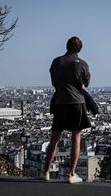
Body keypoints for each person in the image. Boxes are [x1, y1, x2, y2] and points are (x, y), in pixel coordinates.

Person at [43, 36, 91, 184]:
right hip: (77, 103)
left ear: (66, 46)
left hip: (61, 102)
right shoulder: (82, 64)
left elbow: (54, 83)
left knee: (55, 139)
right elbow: (86, 84)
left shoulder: (56, 62)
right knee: (76, 137)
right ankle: (71, 174)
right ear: (80, 49)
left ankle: (45, 172)